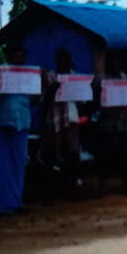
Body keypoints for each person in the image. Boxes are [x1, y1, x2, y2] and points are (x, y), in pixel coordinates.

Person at [0, 45, 42, 214]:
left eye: (21, 56)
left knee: (18, 164)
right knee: (0, 164)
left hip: (22, 123)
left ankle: (15, 203)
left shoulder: (28, 79)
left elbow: (36, 100)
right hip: (2, 122)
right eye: (16, 56)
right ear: (9, 58)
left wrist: (42, 81)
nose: (19, 60)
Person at [93, 51, 127, 191]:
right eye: (114, 62)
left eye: (119, 62)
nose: (116, 65)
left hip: (124, 121)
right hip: (108, 121)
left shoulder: (126, 79)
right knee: (105, 152)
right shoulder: (102, 80)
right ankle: (103, 183)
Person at [42, 48, 82, 200]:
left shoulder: (74, 76)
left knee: (72, 153)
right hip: (54, 119)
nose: (65, 62)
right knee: (52, 155)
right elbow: (44, 100)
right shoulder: (50, 76)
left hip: (71, 118)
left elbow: (82, 99)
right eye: (62, 59)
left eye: (67, 59)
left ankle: (71, 189)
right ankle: (49, 192)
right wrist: (55, 87)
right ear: (57, 61)